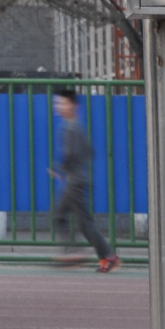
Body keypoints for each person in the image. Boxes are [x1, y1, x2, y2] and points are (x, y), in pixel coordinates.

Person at [49, 87, 118, 273]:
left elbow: (70, 153)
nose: (58, 106)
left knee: (63, 216)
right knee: (80, 222)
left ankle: (75, 253)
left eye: (62, 103)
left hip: (75, 182)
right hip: (78, 179)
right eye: (57, 103)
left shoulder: (69, 128)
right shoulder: (76, 126)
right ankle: (105, 256)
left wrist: (60, 168)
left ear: (72, 106)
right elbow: (89, 151)